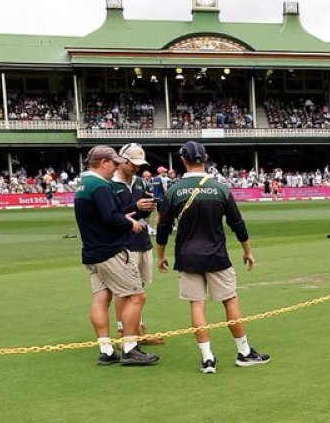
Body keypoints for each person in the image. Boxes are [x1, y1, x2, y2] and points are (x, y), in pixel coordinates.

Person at [155, 140, 269, 374]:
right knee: (230, 301)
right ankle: (244, 352)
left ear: (183, 161)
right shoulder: (220, 188)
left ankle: (208, 359)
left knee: (197, 306)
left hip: (187, 257)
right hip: (217, 254)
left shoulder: (174, 190)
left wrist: (161, 255)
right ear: (204, 159)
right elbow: (237, 223)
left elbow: (163, 227)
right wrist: (247, 251)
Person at [73, 145, 160, 366]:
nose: (116, 166)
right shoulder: (99, 185)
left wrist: (126, 213)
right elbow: (111, 217)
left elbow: (107, 214)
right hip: (110, 250)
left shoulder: (83, 184)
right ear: (103, 162)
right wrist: (130, 224)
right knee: (136, 296)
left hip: (91, 251)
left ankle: (106, 349)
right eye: (113, 162)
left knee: (101, 297)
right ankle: (130, 347)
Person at [113, 143, 164, 346]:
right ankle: (122, 330)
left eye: (139, 164)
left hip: (142, 240)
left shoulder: (141, 183)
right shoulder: (110, 185)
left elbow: (140, 213)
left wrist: (148, 207)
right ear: (122, 160)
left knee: (139, 287)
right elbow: (112, 215)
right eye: (132, 163)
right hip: (122, 243)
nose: (136, 167)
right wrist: (135, 206)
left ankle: (137, 327)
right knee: (124, 290)